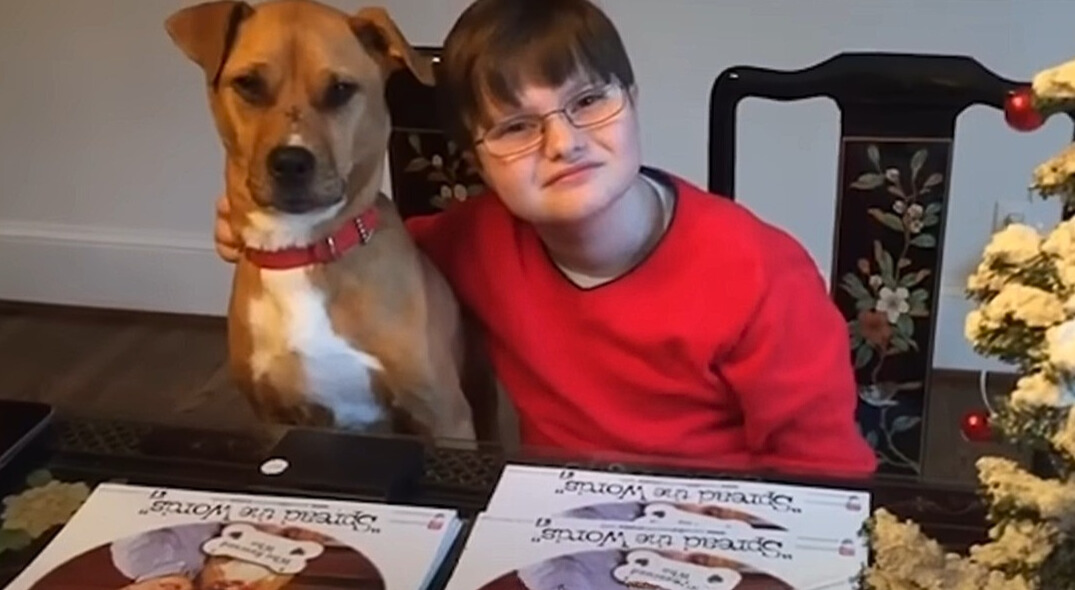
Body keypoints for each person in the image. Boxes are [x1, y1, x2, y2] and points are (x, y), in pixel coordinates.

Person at [212, 0, 877, 476]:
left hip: (719, 533)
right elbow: (364, 248)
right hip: (546, 526)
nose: (563, 143)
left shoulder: (759, 272)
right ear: (474, 160)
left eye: (588, 101)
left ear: (633, 99)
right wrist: (272, 236)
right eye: (514, 128)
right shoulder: (469, 245)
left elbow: (826, 475)